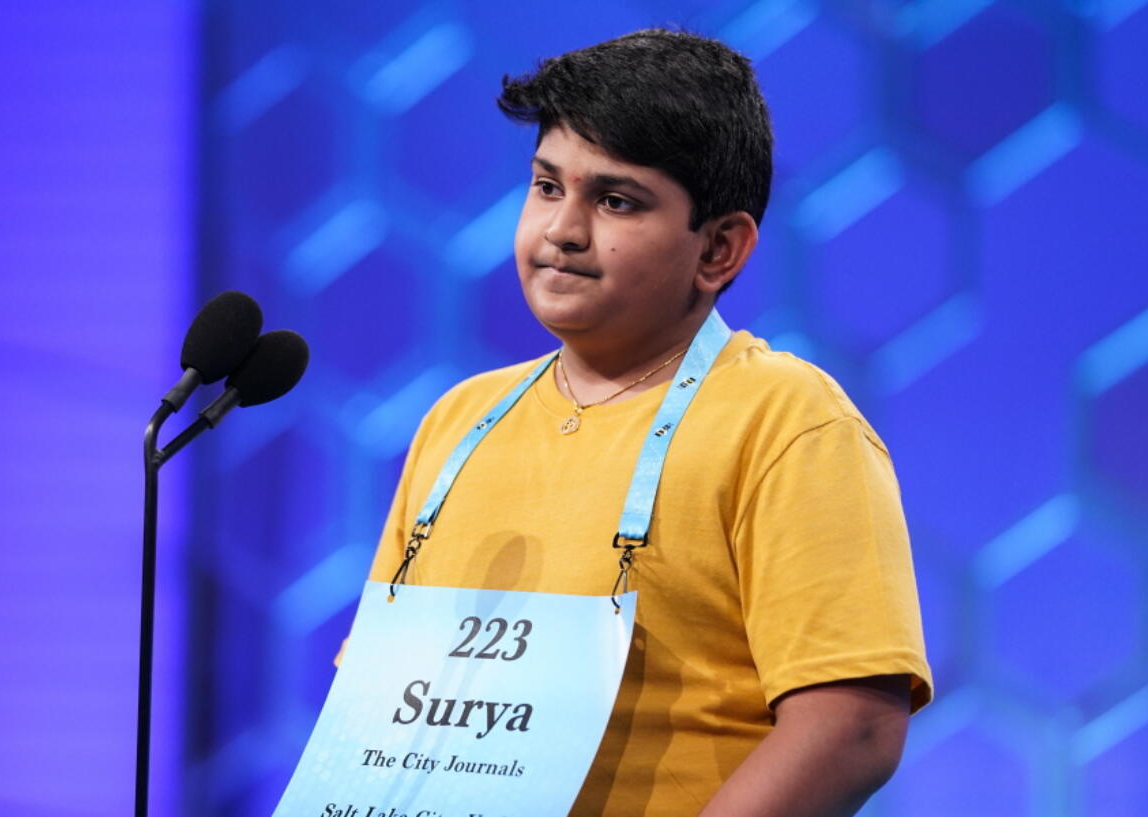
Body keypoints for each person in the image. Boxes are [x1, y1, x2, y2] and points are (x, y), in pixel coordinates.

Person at [346, 28, 932, 817]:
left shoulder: (788, 420)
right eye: (547, 186)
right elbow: (375, 697)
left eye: (615, 200)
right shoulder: (460, 419)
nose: (562, 229)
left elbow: (852, 727)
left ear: (720, 249)